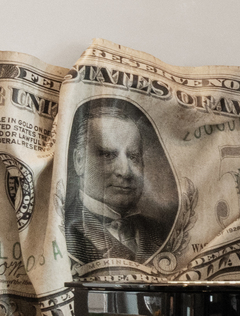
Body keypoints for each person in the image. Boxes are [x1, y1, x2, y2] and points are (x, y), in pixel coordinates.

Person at [65, 103, 171, 263]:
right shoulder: (61, 228)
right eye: (108, 155)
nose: (126, 172)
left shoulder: (162, 231)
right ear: (79, 161)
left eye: (133, 157)